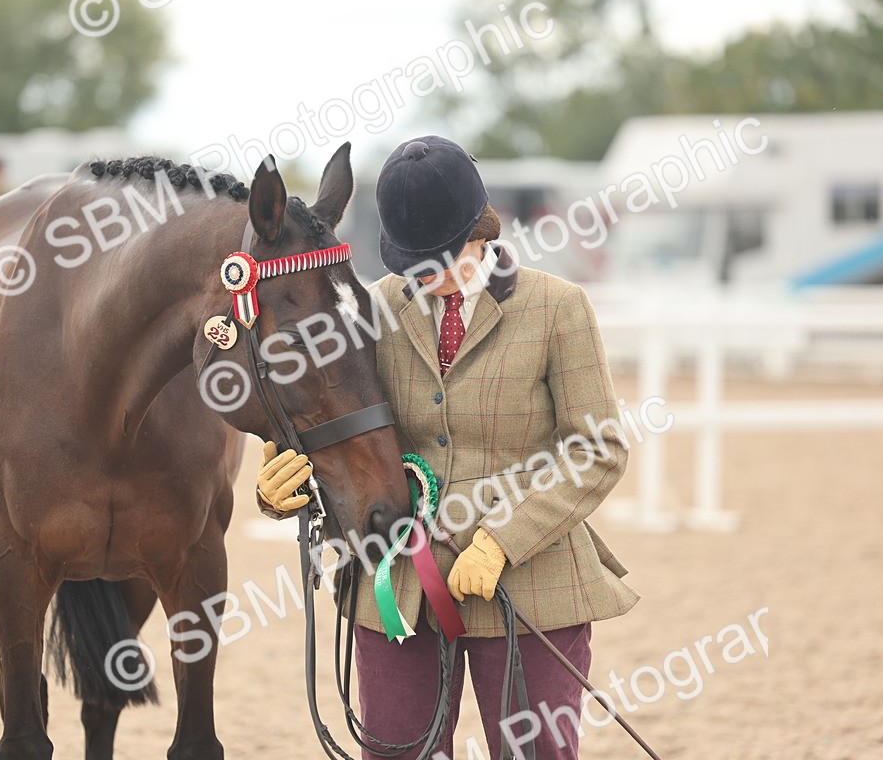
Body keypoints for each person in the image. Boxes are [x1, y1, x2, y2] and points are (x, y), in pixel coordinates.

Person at [256, 136, 639, 759]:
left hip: (530, 582)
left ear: (479, 231)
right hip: (398, 584)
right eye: (409, 263)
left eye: (435, 261)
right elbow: (328, 420)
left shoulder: (556, 309)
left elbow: (596, 450)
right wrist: (282, 487)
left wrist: (500, 541)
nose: (420, 279)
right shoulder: (371, 309)